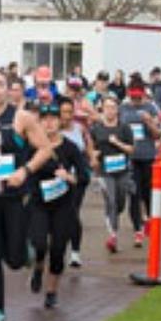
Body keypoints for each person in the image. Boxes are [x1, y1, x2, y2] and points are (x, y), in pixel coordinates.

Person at [0, 69, 51, 321]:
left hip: (16, 194)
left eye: (0, 85)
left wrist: (25, 171)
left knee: (14, 260)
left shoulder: (21, 117)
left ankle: (25, 251)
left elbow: (45, 149)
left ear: (8, 89)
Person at [26, 102, 85, 308]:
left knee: (59, 249)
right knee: (40, 244)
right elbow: (23, 170)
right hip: (39, 203)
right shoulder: (31, 146)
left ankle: (51, 291)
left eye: (53, 119)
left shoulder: (70, 148)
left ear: (60, 121)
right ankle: (39, 266)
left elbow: (84, 175)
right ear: (39, 123)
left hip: (63, 206)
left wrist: (69, 177)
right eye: (45, 119)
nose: (49, 123)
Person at [120, 76, 161, 248]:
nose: (136, 100)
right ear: (129, 94)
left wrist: (149, 122)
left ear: (144, 94)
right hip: (130, 159)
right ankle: (137, 230)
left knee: (147, 194)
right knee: (134, 195)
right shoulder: (122, 108)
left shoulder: (150, 107)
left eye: (139, 97)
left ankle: (150, 223)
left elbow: (158, 135)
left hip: (147, 157)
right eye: (133, 97)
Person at [91, 95, 135, 253]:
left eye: (113, 107)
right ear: (102, 109)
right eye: (107, 107)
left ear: (117, 110)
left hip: (122, 171)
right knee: (111, 200)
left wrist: (117, 143)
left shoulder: (124, 128)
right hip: (104, 172)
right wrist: (94, 155)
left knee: (120, 202)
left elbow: (131, 149)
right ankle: (113, 236)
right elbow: (91, 149)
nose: (110, 111)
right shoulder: (96, 128)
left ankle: (113, 219)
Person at [57, 97, 93, 268]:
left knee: (73, 214)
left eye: (70, 112)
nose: (67, 116)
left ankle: (75, 253)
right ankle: (57, 248)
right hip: (56, 179)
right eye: (64, 112)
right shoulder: (51, 130)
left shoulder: (79, 128)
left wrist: (92, 158)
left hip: (77, 180)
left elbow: (88, 146)